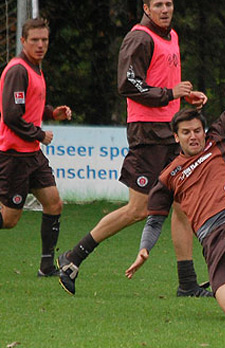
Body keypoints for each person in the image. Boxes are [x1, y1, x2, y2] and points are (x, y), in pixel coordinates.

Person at [125, 12, 225, 321]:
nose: (194, 136)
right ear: (176, 136)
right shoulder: (169, 175)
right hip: (212, 240)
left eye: (197, 130)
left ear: (203, 128)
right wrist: (145, 248)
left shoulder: (221, 137)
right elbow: (155, 219)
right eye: (186, 132)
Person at [57, 0, 211, 297]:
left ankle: (188, 284)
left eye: (169, 3)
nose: (165, 9)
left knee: (181, 208)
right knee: (138, 209)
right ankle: (73, 258)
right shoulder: (139, 37)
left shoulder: (171, 36)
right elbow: (128, 85)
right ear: (146, 6)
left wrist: (184, 98)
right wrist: (169, 94)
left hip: (170, 133)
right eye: (158, 4)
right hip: (147, 134)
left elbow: (161, 83)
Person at [0, 18, 72, 277]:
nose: (41, 45)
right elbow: (11, 115)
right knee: (9, 220)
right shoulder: (18, 70)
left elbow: (30, 107)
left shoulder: (36, 69)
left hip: (32, 154)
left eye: (44, 40)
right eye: (35, 40)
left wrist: (54, 112)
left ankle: (46, 267)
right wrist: (39, 134)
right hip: (14, 155)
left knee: (54, 203)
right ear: (23, 41)